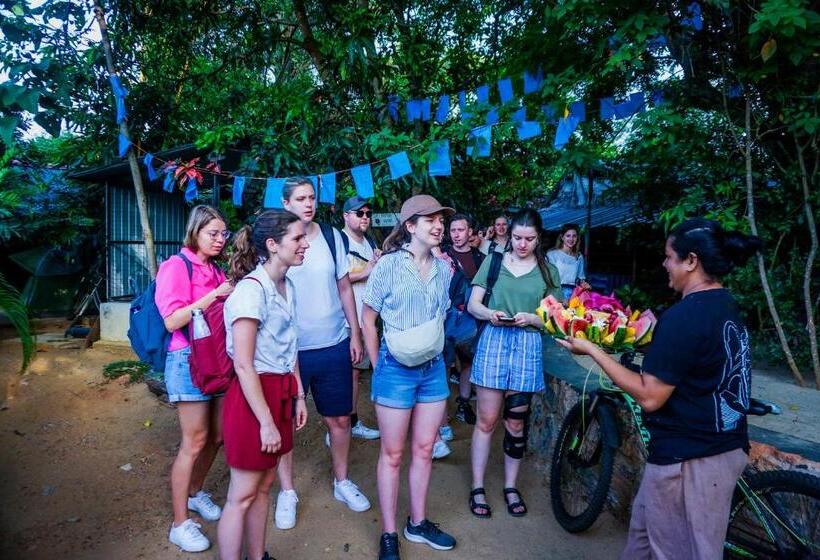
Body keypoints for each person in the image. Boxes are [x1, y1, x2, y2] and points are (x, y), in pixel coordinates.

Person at [557, 218, 760, 560]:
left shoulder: (685, 317)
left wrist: (593, 350)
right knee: (642, 539)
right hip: (719, 444)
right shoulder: (725, 304)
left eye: (669, 257)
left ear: (691, 261)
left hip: (692, 459)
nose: (664, 264)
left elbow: (650, 395)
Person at [362, 194, 458, 560]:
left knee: (424, 449)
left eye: (441, 220)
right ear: (410, 226)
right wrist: (378, 364)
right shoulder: (386, 266)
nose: (438, 226)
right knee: (392, 453)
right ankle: (389, 533)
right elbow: (368, 319)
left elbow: (442, 318)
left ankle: (417, 523)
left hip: (432, 369)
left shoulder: (445, 269)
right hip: (394, 369)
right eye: (429, 219)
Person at [275, 177, 370, 530]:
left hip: (333, 343)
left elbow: (344, 287)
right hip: (291, 351)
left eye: (311, 197)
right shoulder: (279, 243)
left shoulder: (332, 236)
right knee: (286, 423)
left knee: (341, 419)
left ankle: (341, 480)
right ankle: (287, 491)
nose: (308, 203)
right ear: (286, 204)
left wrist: (355, 333)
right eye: (300, 198)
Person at [218, 210, 309, 560]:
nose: (304, 245)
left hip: (281, 391)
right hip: (253, 398)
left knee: (266, 485)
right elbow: (243, 363)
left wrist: (299, 395)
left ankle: (257, 556)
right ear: (273, 245)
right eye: (297, 239)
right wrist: (267, 422)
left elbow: (290, 347)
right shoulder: (250, 292)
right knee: (241, 493)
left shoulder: (288, 286)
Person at [467, 209, 562, 520]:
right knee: (487, 419)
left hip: (527, 345)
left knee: (516, 423)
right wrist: (489, 314)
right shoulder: (494, 262)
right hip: (494, 340)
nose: (522, 244)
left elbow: (556, 317)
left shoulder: (548, 272)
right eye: (518, 238)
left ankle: (510, 486)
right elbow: (473, 304)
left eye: (530, 239)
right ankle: (478, 486)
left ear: (539, 238)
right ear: (510, 236)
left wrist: (535, 318)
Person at [155, 205, 233, 552]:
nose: (219, 239)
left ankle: (196, 492)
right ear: (195, 233)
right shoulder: (176, 266)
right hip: (186, 358)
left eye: (223, 234)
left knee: (216, 436)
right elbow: (172, 320)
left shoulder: (214, 269)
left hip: (216, 358)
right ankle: (179, 523)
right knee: (195, 440)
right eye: (212, 233)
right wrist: (213, 296)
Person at [341, 196, 381, 441]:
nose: (365, 217)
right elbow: (332, 280)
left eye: (367, 213)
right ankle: (340, 426)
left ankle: (351, 422)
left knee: (355, 373)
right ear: (346, 216)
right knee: (345, 373)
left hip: (366, 319)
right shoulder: (338, 241)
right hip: (345, 321)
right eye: (359, 213)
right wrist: (365, 272)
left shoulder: (369, 242)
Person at [444, 213, 484, 425]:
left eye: (461, 230)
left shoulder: (481, 259)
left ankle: (464, 404)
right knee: (445, 365)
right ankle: (441, 416)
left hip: (471, 322)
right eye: (453, 230)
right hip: (446, 322)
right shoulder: (442, 257)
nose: (457, 234)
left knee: (468, 363)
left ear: (470, 232)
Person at [547, 223, 589, 301]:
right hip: (556, 294)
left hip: (573, 295)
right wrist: (559, 297)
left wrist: (585, 285)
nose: (571, 239)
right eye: (568, 236)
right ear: (562, 237)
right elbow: (547, 279)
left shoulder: (579, 257)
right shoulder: (552, 254)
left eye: (574, 236)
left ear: (577, 238)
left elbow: (581, 279)